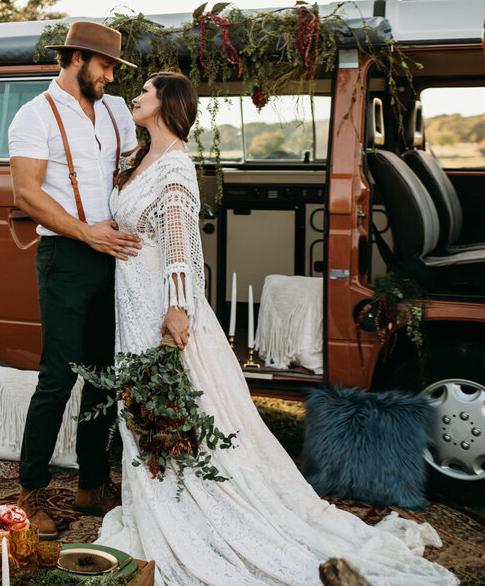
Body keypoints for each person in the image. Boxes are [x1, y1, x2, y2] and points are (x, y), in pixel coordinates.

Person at [94, 71, 457, 586]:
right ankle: (154, 495)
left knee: (171, 405)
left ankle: (190, 506)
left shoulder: (174, 168)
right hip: (131, 299)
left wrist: (176, 311)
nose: (137, 95)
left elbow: (181, 251)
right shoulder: (139, 158)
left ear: (167, 102)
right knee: (143, 404)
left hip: (157, 304)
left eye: (146, 90)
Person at [7, 20, 141, 540]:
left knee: (105, 372)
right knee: (59, 376)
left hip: (114, 254)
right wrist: (87, 233)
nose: (109, 76)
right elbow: (26, 193)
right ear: (77, 59)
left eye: (113, 68)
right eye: (105, 65)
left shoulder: (116, 110)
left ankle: (91, 483)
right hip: (65, 254)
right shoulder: (33, 116)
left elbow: (129, 170)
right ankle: (30, 491)